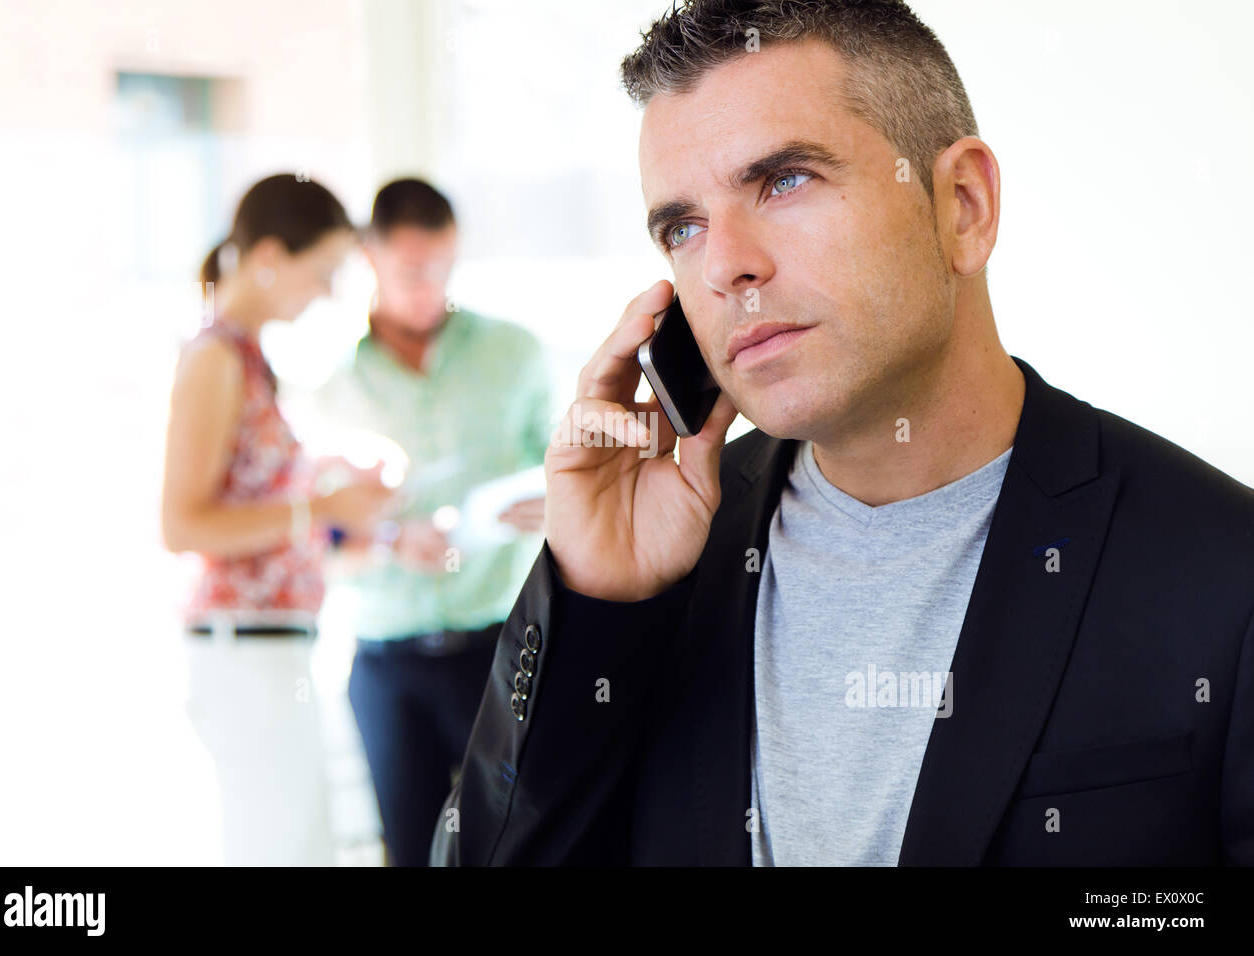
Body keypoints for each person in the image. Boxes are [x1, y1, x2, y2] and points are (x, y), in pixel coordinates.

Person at [432, 0, 1254, 866]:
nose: (724, 267)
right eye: (683, 226)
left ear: (963, 207)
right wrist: (594, 605)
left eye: (784, 180)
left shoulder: (1221, 572)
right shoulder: (659, 558)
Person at [314, 178, 553, 866]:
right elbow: (318, 547)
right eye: (412, 270)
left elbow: (569, 472)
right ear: (370, 259)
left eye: (444, 266)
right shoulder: (330, 384)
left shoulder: (516, 354)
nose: (430, 286)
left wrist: (548, 505)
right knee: (413, 848)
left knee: (520, 841)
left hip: (502, 648)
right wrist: (389, 542)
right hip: (388, 664)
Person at [161, 173, 396, 865]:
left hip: (271, 648)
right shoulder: (214, 358)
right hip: (246, 654)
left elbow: (257, 520)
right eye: (320, 272)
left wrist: (351, 529)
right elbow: (182, 525)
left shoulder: (248, 358)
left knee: (299, 847)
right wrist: (320, 508)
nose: (324, 292)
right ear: (269, 256)